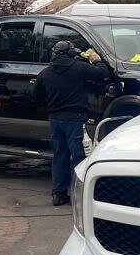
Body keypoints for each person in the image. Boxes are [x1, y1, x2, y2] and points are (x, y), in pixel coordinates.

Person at [34, 41, 108, 206]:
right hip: (75, 119)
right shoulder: (79, 68)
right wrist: (96, 60)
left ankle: (58, 194)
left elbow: (37, 98)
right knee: (78, 157)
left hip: (55, 120)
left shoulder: (45, 73)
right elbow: (102, 73)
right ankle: (79, 194)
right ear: (70, 53)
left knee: (59, 156)